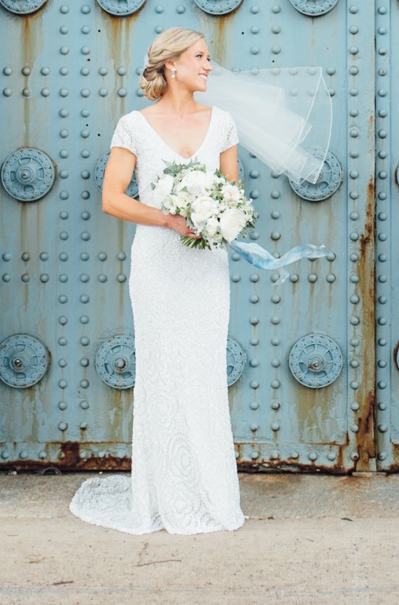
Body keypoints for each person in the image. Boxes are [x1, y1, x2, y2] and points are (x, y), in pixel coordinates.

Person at [70, 27, 245, 534]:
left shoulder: (223, 123)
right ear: (171, 65)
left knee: (204, 372)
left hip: (206, 266)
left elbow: (233, 195)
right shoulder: (135, 126)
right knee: (162, 372)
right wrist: (168, 218)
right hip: (158, 267)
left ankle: (210, 495)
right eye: (200, 57)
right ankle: (161, 495)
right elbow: (112, 198)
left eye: (208, 58)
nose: (209, 66)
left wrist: (216, 217)